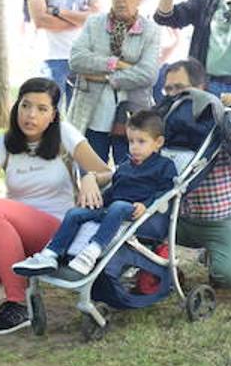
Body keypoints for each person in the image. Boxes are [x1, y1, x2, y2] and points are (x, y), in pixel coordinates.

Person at [0, 78, 111, 335]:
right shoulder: (1, 145)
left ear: (53, 115)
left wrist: (90, 177)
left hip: (57, 232)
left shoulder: (65, 134)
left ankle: (18, 304)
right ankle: (18, 270)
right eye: (25, 105)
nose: (31, 115)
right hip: (8, 232)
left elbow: (108, 173)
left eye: (41, 109)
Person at [15, 110, 178, 277]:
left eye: (141, 141)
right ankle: (51, 254)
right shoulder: (126, 166)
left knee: (118, 206)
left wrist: (146, 204)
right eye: (131, 141)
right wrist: (96, 202)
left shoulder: (164, 166)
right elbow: (114, 189)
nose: (134, 147)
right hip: (112, 212)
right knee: (74, 213)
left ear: (158, 142)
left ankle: (92, 252)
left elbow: (166, 192)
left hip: (139, 214)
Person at [159, 59, 231, 289]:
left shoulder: (222, 117)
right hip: (176, 217)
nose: (173, 95)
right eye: (168, 89)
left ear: (201, 87)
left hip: (222, 221)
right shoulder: (163, 118)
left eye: (180, 88)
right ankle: (161, 268)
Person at [66, 0, 161, 165]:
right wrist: (114, 63)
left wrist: (107, 78)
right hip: (92, 115)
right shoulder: (94, 23)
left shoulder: (150, 30)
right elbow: (76, 59)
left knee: (130, 173)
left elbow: (148, 74)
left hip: (133, 117)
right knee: (90, 172)